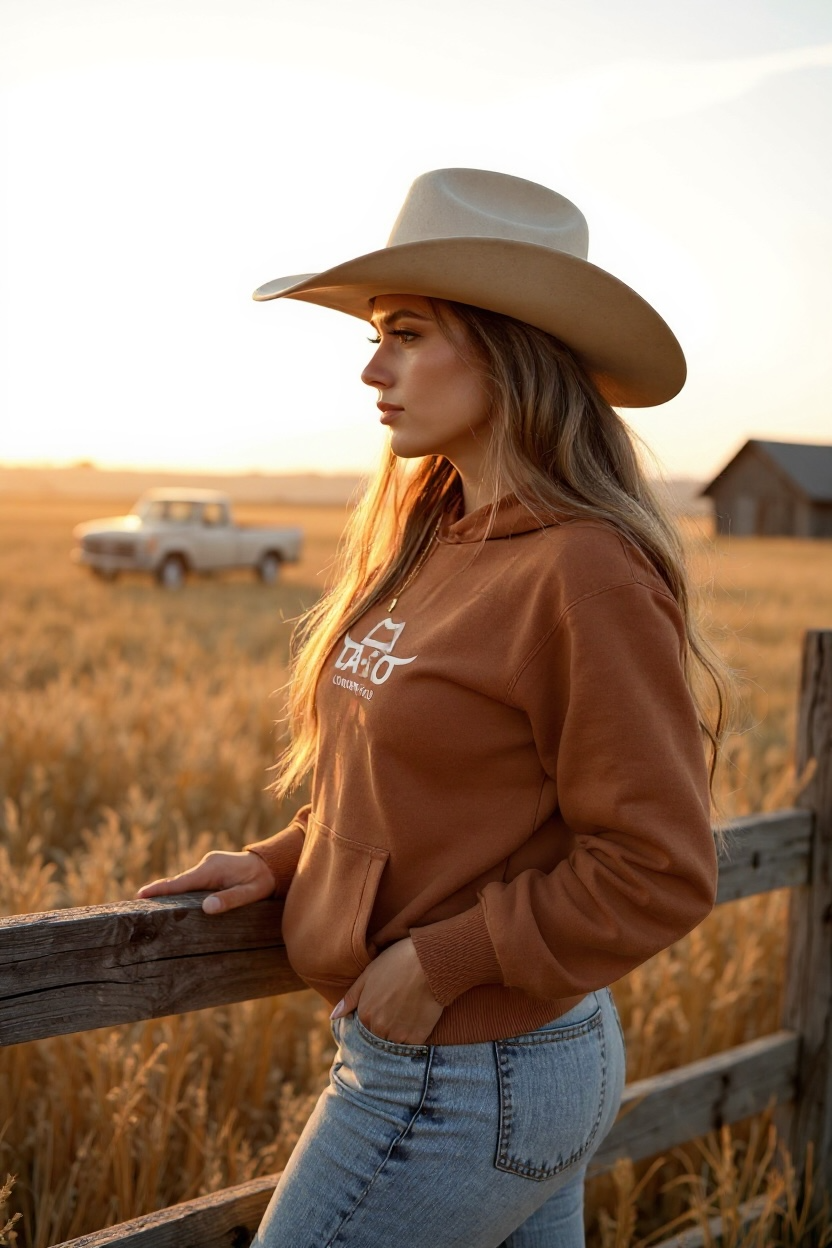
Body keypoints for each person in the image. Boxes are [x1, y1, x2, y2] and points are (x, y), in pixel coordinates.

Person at [137, 169, 727, 1247]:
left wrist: (444, 961)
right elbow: (432, 792)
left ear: (505, 348)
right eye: (377, 335)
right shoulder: (439, 535)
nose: (372, 368)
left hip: (465, 1072)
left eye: (406, 333)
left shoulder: (581, 574)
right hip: (490, 1064)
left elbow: (661, 864)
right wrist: (280, 862)